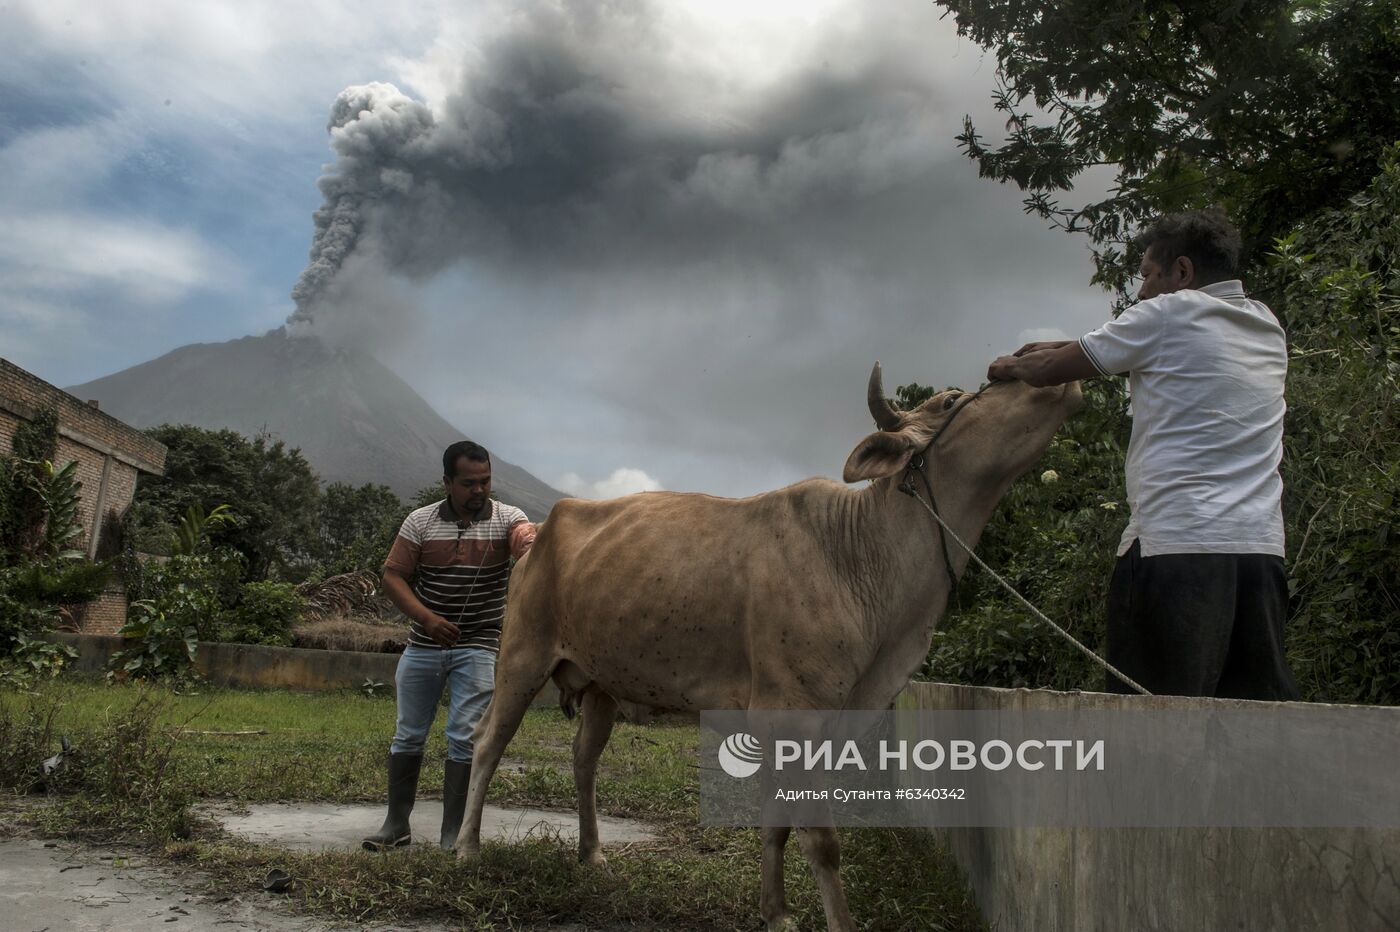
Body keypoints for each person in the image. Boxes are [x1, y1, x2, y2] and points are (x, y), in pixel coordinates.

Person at [986, 208, 1299, 700]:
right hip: (1259, 555)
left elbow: (1049, 371)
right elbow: (1128, 345)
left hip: (1178, 550)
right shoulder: (1264, 324)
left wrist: (1007, 366)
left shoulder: (1167, 313)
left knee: (1154, 720)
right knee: (1252, 720)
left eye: (1149, 276)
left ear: (1183, 272)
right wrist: (1059, 346)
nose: (1142, 291)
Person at [363, 440, 537, 851]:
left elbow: (524, 541)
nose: (479, 490)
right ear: (447, 482)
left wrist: (531, 541)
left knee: (463, 736)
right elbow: (392, 577)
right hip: (422, 644)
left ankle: (451, 835)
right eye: (468, 483)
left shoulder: (508, 518)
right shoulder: (419, 523)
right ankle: (395, 825)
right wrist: (426, 618)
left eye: (486, 481)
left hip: (478, 645)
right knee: (408, 735)